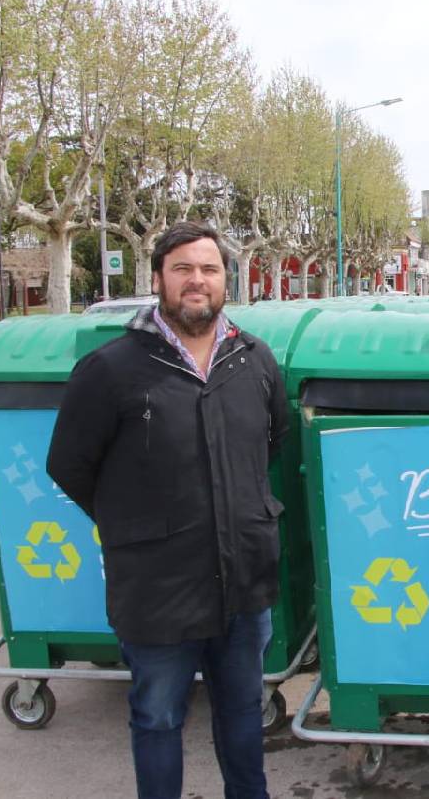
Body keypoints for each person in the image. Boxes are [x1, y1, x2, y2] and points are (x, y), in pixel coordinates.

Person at [47, 221, 289, 799]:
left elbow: (272, 442)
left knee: (240, 712)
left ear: (227, 280)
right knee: (157, 717)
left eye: (209, 269)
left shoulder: (254, 360)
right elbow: (69, 464)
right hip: (156, 590)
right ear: (158, 279)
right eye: (182, 269)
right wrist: (135, 524)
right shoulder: (111, 369)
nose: (196, 280)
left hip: (243, 584)